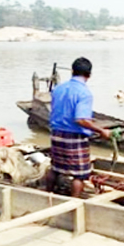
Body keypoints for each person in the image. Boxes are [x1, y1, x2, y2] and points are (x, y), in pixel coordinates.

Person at [47, 57, 112, 198]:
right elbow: (80, 119)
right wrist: (101, 131)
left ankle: (48, 194)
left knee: (55, 168)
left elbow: (60, 110)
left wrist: (87, 120)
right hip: (74, 137)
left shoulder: (58, 89)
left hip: (57, 133)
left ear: (72, 71)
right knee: (80, 174)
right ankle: (74, 203)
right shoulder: (84, 93)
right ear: (89, 75)